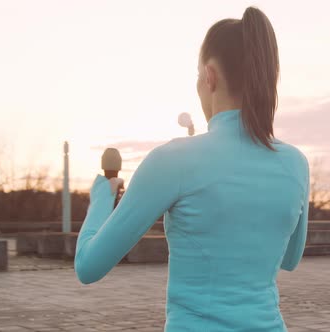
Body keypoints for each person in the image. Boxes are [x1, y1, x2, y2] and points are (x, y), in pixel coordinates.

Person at [74, 6, 310, 332]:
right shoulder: (295, 163)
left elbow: (88, 266)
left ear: (209, 76)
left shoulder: (173, 160)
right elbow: (290, 258)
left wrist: (101, 197)